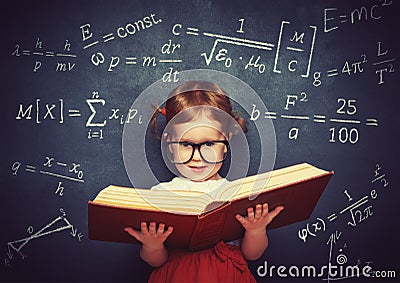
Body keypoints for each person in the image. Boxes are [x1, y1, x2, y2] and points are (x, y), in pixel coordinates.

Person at [124, 81, 284, 282]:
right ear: (170, 144)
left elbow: (252, 255)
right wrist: (152, 245)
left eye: (209, 143)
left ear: (226, 142)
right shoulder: (160, 194)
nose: (197, 156)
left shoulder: (237, 193)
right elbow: (156, 261)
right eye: (186, 144)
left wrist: (256, 230)